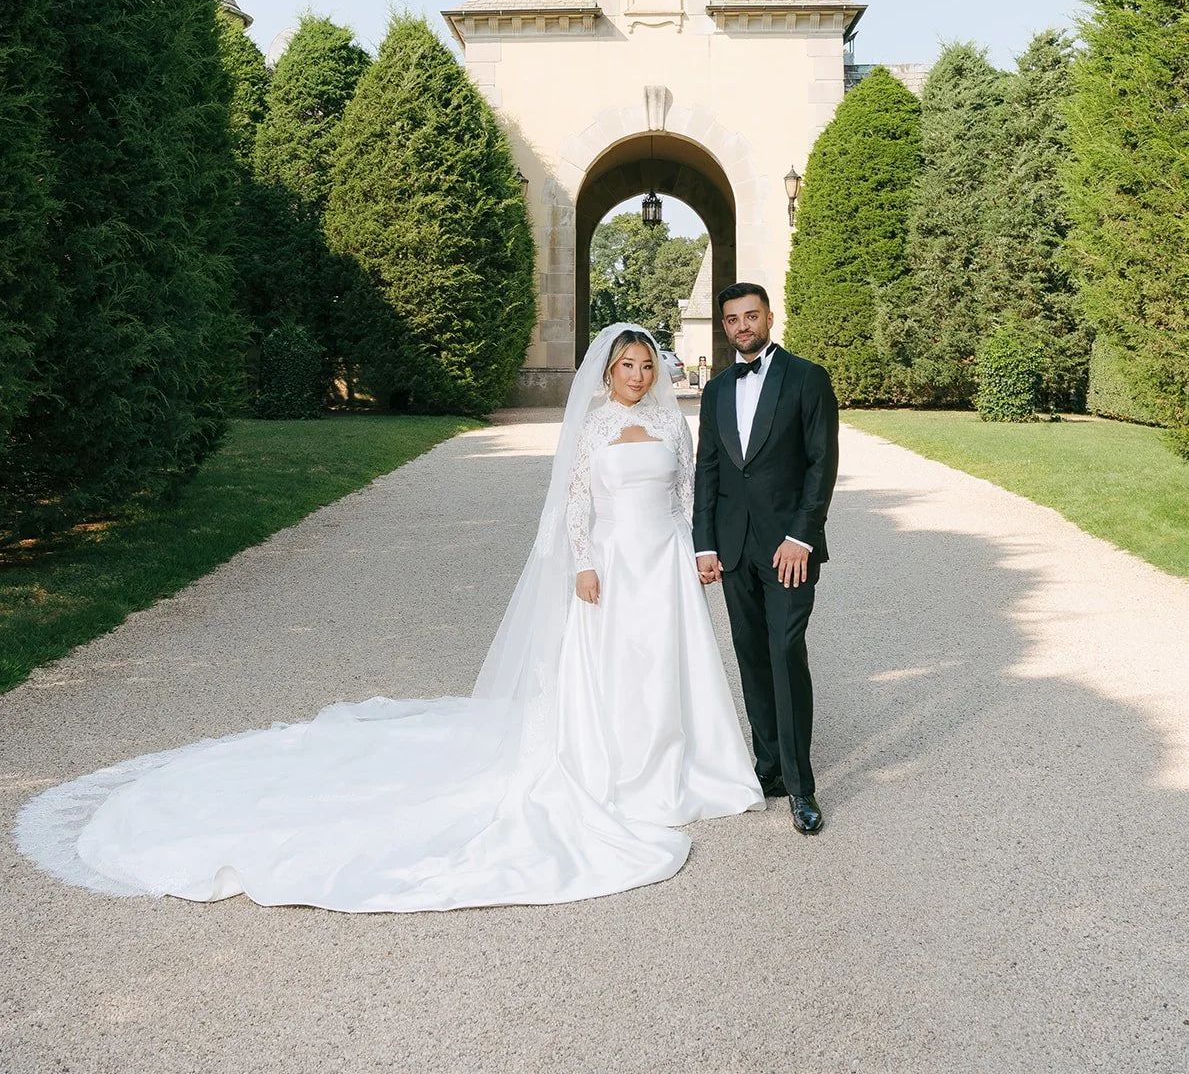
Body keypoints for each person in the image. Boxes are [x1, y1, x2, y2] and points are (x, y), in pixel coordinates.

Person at [16, 325, 761, 912]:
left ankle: (683, 763)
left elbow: (690, 498)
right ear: (606, 374)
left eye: (643, 366)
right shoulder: (594, 429)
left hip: (661, 564)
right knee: (611, 667)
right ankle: (615, 767)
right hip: (609, 563)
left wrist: (697, 552)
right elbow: (574, 505)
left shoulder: (672, 426)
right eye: (625, 365)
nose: (636, 375)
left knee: (668, 662)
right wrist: (585, 563)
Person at [693, 284, 839, 835]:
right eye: (732, 320)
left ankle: (802, 788)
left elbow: (821, 465)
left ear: (769, 317)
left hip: (789, 550)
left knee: (784, 649)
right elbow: (708, 469)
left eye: (751, 316)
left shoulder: (807, 379)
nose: (742, 326)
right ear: (725, 327)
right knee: (751, 655)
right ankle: (769, 768)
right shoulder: (716, 389)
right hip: (732, 548)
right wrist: (704, 544)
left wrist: (802, 535)